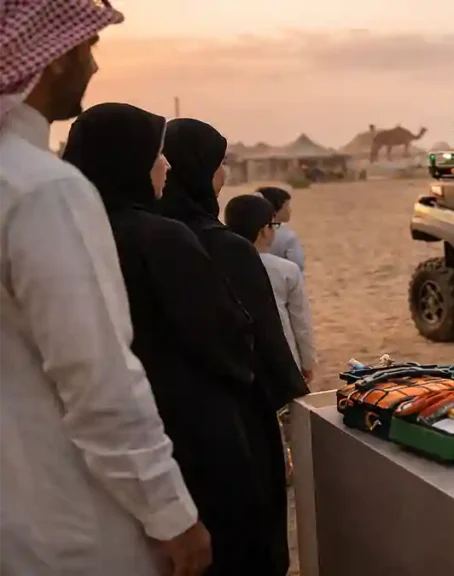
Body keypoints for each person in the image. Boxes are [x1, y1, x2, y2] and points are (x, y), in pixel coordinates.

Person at [0, 2, 210, 575]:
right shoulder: (43, 191)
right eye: (85, 49)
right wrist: (173, 515)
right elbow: (98, 381)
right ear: (55, 58)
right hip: (62, 531)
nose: (93, 66)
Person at [62, 101, 291, 575]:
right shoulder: (161, 238)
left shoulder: (74, 232)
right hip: (192, 435)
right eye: (154, 154)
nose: (164, 164)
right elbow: (226, 341)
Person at [158, 117, 309, 576]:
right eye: (220, 163)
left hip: (161, 429)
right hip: (229, 427)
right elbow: (263, 343)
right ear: (202, 169)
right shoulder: (223, 248)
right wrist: (292, 399)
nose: (224, 173)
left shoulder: (136, 234)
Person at [225, 194, 318, 383]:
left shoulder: (221, 264)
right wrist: (307, 363)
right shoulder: (286, 270)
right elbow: (301, 325)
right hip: (283, 362)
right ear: (264, 231)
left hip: (239, 365)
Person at [257, 185, 307, 272]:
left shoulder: (249, 229)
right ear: (275, 210)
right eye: (286, 206)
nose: (289, 210)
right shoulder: (288, 237)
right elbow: (298, 266)